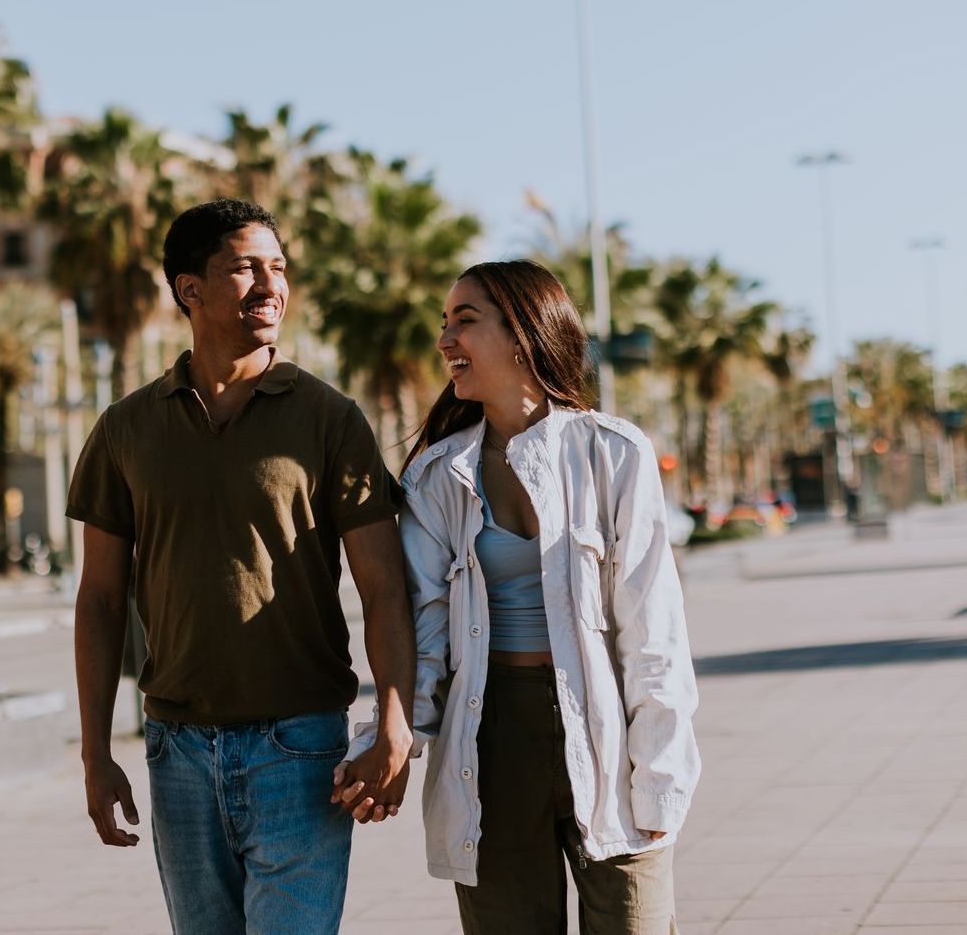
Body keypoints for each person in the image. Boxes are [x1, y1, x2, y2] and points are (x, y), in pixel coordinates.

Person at [67, 198, 415, 935]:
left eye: (279, 268)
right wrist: (96, 754)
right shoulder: (125, 428)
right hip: (177, 749)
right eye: (245, 268)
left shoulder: (329, 418)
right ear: (189, 289)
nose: (270, 286)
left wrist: (393, 721)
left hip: (301, 747)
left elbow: (383, 584)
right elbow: (98, 599)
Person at [346, 260, 700, 934]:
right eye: (443, 324)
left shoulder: (613, 453)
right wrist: (390, 742)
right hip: (489, 742)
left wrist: (657, 774)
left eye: (464, 321)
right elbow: (425, 634)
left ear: (523, 333)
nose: (445, 340)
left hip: (605, 735)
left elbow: (653, 630)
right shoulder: (435, 476)